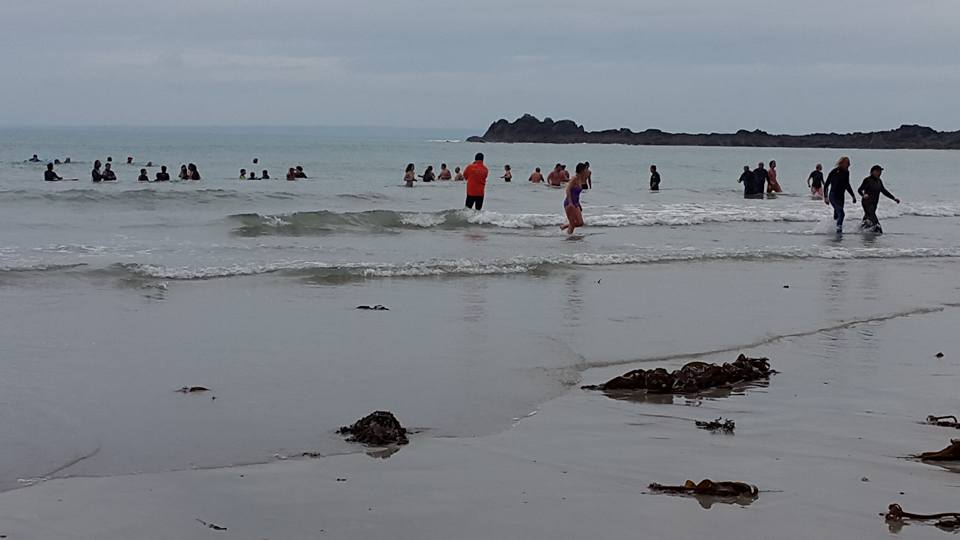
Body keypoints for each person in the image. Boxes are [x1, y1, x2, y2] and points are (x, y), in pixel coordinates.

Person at [857, 165, 900, 233]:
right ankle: (879, 233)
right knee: (875, 222)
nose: (879, 173)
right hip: (867, 203)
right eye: (877, 171)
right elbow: (859, 189)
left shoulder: (879, 181)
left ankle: (858, 232)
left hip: (874, 204)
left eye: (880, 171)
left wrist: (894, 198)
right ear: (872, 172)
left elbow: (884, 191)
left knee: (867, 219)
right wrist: (863, 195)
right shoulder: (867, 180)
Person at [823, 156, 855, 233]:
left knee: (836, 215)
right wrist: (826, 197)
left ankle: (832, 230)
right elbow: (826, 184)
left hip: (841, 196)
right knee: (841, 213)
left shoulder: (847, 173)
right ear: (842, 163)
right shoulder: (834, 171)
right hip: (833, 195)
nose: (849, 165)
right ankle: (838, 231)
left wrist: (853, 196)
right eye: (847, 163)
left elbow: (847, 185)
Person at [560, 163, 586, 235]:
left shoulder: (580, 179)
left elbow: (577, 194)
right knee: (572, 224)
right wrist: (570, 202)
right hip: (569, 203)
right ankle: (569, 239)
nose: (586, 171)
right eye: (585, 169)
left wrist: (579, 204)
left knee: (580, 223)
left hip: (576, 203)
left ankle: (564, 226)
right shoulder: (574, 178)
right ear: (582, 170)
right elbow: (567, 189)